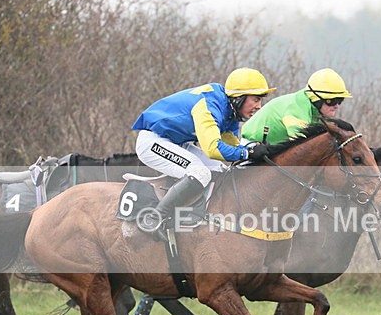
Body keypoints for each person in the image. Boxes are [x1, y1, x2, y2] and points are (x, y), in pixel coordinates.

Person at [130, 67, 275, 233]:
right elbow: (213, 149)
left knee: (220, 168)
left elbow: (231, 148)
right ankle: (155, 218)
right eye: (255, 100)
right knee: (200, 173)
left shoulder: (229, 110)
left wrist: (251, 149)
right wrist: (246, 153)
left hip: (176, 143)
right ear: (239, 98)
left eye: (260, 101)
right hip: (153, 142)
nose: (259, 106)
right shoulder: (210, 106)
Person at [242, 68, 351, 145]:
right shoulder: (297, 111)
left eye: (340, 100)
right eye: (331, 101)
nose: (336, 106)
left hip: (271, 146)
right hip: (252, 144)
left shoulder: (314, 108)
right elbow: (303, 148)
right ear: (316, 98)